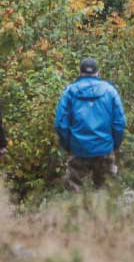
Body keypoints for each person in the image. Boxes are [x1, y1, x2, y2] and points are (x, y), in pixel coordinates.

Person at [53, 57, 125, 191]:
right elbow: (119, 123)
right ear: (98, 72)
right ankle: (104, 212)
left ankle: (79, 212)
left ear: (80, 72)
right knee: (107, 194)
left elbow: (60, 124)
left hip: (78, 150)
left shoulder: (70, 92)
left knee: (75, 193)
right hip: (104, 148)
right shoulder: (110, 91)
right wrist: (113, 144)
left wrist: (69, 146)